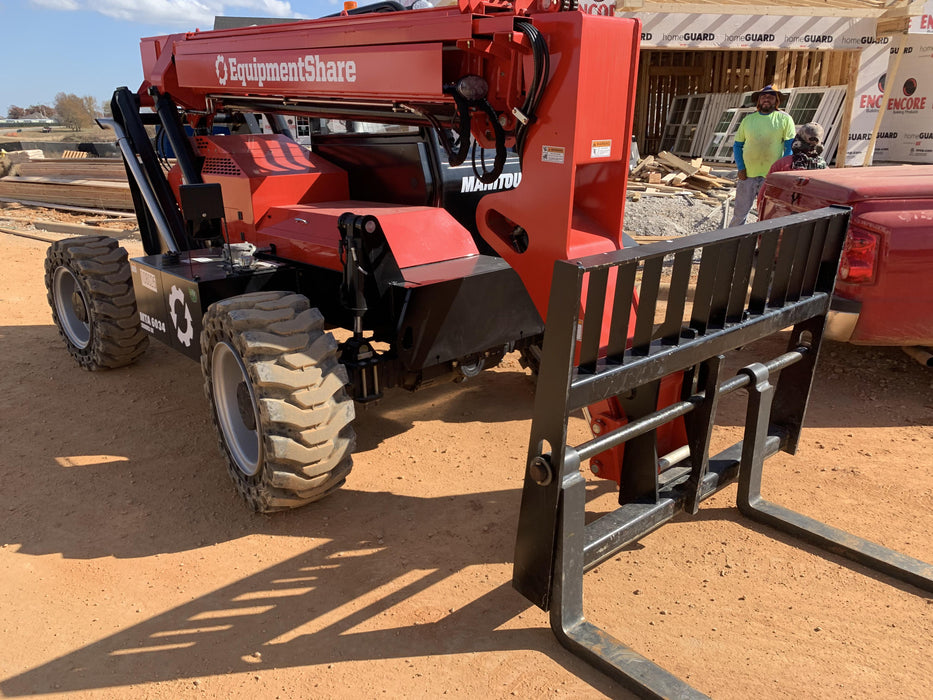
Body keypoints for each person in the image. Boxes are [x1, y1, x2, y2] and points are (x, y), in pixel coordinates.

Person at [729, 85, 795, 227]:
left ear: (776, 101)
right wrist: (741, 168)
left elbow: (789, 147)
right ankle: (733, 243)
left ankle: (763, 245)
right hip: (747, 175)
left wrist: (781, 172)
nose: (766, 99)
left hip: (770, 177)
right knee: (739, 214)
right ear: (758, 101)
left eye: (771, 97)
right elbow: (738, 145)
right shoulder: (748, 120)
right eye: (763, 96)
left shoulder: (784, 119)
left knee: (768, 215)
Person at [756, 123, 828, 215]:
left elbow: (764, 194)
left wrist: (761, 214)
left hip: (784, 215)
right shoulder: (825, 169)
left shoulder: (782, 164)